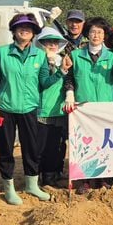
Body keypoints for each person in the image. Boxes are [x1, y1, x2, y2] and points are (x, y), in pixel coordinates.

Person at [0, 13, 69, 205]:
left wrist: (61, 72)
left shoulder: (39, 55)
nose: (24, 30)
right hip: (6, 107)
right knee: (6, 149)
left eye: (29, 28)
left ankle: (31, 185)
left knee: (31, 148)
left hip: (30, 108)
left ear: (33, 33)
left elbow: (44, 82)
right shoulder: (2, 52)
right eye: (20, 27)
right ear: (14, 31)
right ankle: (9, 188)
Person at [63, 16, 113, 193]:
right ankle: (85, 180)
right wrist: (69, 93)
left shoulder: (112, 57)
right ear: (87, 34)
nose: (96, 35)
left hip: (106, 107)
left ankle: (104, 178)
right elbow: (69, 77)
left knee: (105, 143)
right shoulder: (75, 55)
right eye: (92, 32)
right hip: (83, 108)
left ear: (104, 36)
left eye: (100, 32)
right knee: (84, 144)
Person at [35, 26, 71, 188]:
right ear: (41, 44)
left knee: (55, 146)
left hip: (59, 110)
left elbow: (68, 82)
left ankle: (51, 176)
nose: (52, 45)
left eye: (55, 42)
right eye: (48, 42)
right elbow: (44, 83)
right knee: (40, 147)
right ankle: (37, 176)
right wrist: (59, 71)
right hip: (43, 110)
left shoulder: (63, 60)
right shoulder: (39, 61)